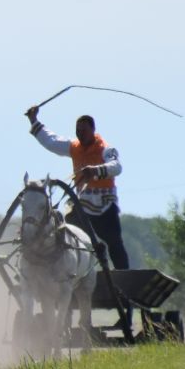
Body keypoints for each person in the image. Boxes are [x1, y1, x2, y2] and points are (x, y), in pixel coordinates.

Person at [26, 106, 129, 268]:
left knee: (115, 242)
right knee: (67, 235)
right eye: (77, 130)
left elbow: (117, 167)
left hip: (105, 206)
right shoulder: (74, 147)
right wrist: (33, 120)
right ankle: (67, 269)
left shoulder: (106, 149)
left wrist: (95, 170)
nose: (80, 134)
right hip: (82, 206)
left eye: (84, 130)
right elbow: (51, 141)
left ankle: (124, 277)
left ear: (93, 130)